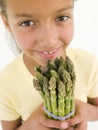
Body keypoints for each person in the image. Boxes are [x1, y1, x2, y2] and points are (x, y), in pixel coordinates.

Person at [0, 0, 98, 130]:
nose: (49, 40)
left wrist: (86, 112)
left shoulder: (89, 64)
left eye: (61, 18)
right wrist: (32, 125)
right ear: (6, 21)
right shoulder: (5, 84)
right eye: (27, 23)